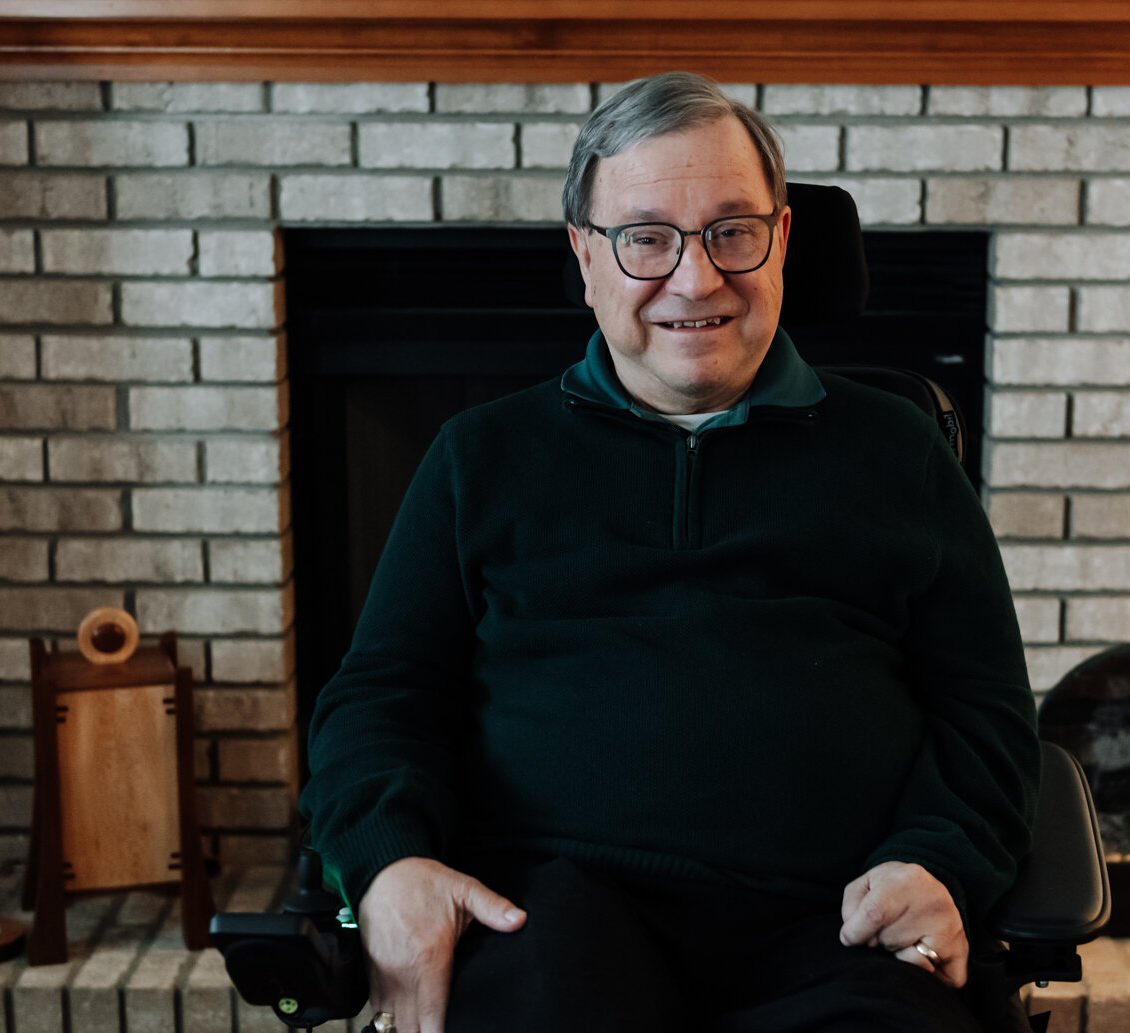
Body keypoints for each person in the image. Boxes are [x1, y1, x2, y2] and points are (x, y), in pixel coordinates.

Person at [300, 71, 1040, 1033]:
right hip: (550, 911)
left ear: (781, 241)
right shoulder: (479, 458)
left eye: (733, 231)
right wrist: (389, 863)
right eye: (647, 237)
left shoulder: (896, 451)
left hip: (842, 919)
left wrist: (942, 860)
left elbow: (987, 714)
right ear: (585, 255)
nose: (696, 279)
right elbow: (379, 694)